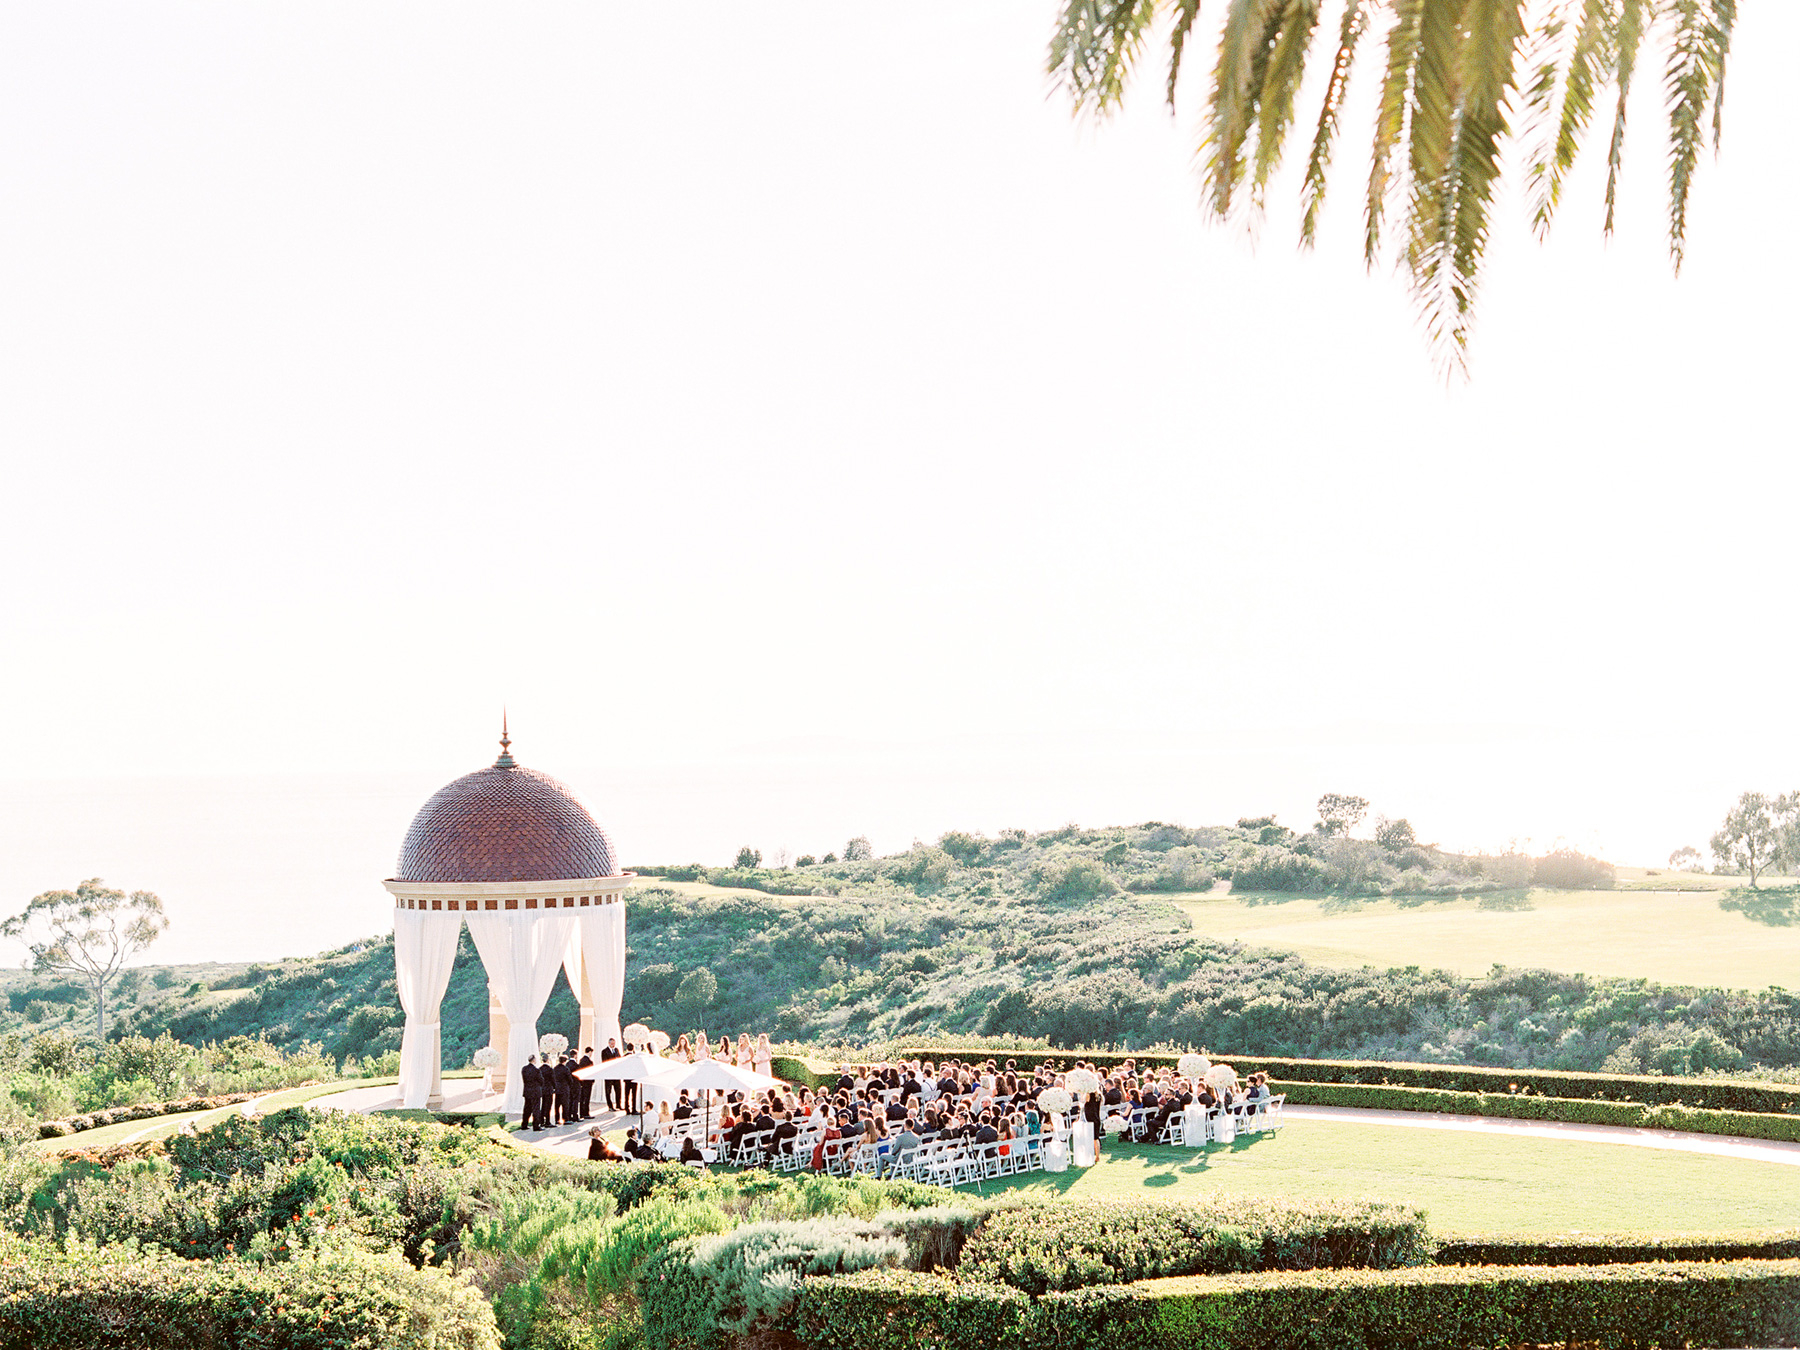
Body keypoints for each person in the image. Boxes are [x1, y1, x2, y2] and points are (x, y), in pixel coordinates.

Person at [520, 1055, 545, 1131]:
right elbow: (541, 1080)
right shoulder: (536, 1070)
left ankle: (524, 1124)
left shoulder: (524, 1069)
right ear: (534, 1060)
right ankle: (536, 1125)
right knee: (536, 1109)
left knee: (527, 1108)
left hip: (527, 1091)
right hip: (535, 1091)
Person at [600, 1038, 622, 1112]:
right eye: (612, 1044)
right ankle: (610, 1106)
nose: (613, 1045)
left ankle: (618, 1104)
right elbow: (605, 1062)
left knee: (618, 1090)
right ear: (609, 1043)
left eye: (614, 1044)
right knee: (608, 1091)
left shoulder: (616, 1050)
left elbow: (619, 1059)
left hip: (616, 1074)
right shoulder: (604, 1051)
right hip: (608, 1074)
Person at [576, 1048, 595, 1119]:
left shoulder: (581, 1060)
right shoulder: (588, 1061)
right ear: (589, 1052)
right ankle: (585, 1113)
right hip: (587, 1082)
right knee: (586, 1098)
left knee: (583, 1098)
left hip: (583, 1082)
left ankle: (582, 1113)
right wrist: (592, 1080)